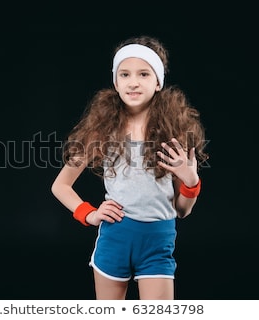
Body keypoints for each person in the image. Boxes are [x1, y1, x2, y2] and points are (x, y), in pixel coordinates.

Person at [51, 35, 209, 300]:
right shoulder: (101, 130)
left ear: (158, 82)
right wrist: (88, 213)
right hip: (115, 240)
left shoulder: (173, 137)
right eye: (125, 74)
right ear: (116, 82)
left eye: (144, 74)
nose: (133, 82)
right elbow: (60, 185)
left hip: (158, 243)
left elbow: (182, 211)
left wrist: (190, 180)